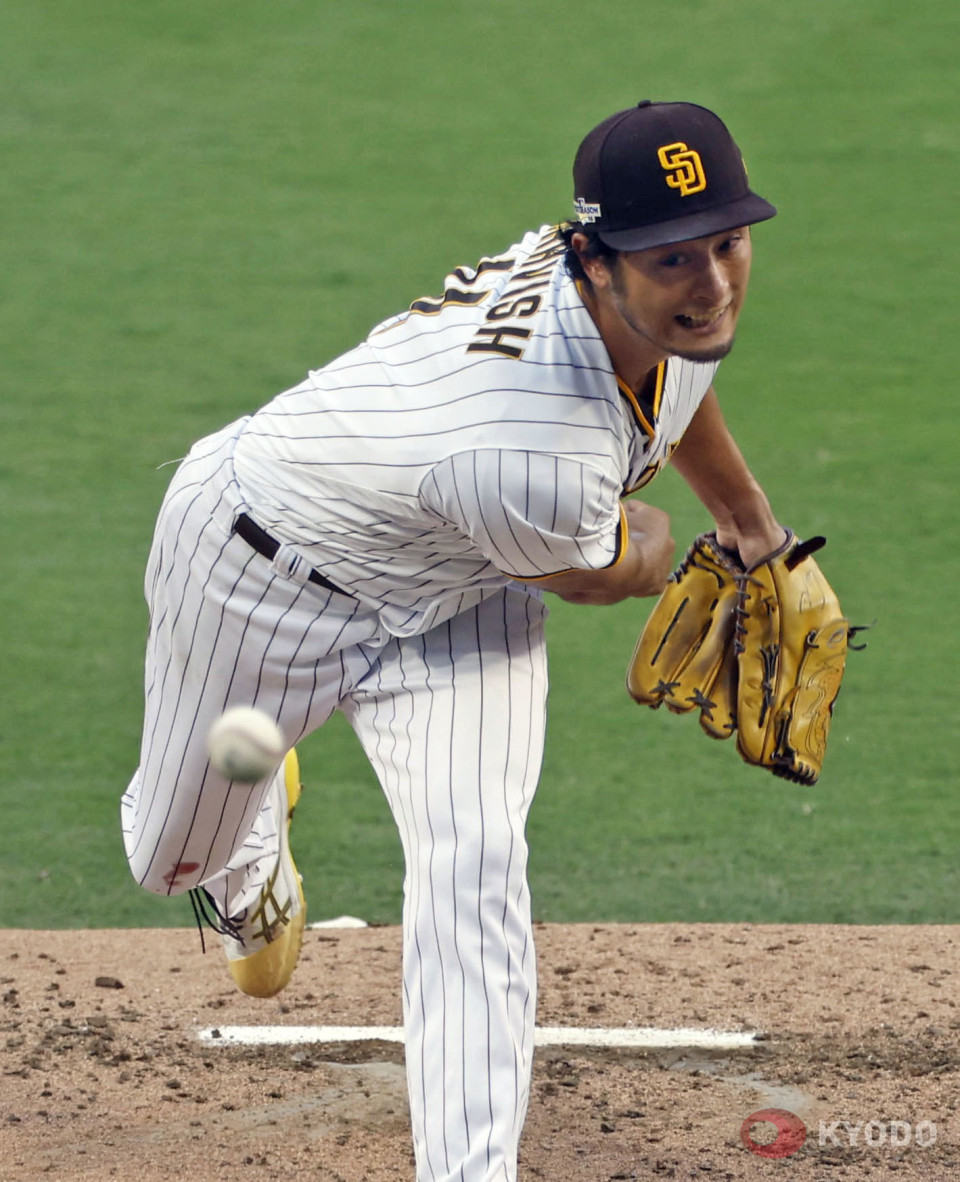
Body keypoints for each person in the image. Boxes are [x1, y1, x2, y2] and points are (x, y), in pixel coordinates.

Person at [122, 99, 785, 1181]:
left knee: (474, 863)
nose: (711, 282)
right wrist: (667, 547)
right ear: (595, 261)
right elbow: (595, 571)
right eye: (675, 260)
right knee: (167, 860)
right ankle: (248, 855)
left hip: (459, 590)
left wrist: (752, 527)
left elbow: (680, 378)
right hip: (259, 571)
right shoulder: (523, 445)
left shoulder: (651, 294)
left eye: (729, 242)